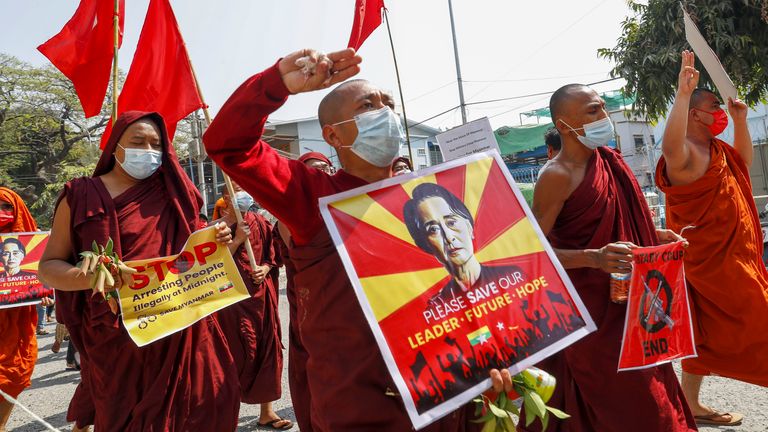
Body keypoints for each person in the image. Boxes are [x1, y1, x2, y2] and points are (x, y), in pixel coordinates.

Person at [204, 48, 479, 431]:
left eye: (388, 105)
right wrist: (276, 84)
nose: (386, 115)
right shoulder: (316, 196)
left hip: (448, 385)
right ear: (332, 134)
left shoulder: (429, 200)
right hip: (362, 402)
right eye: (369, 106)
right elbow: (227, 144)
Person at [38, 111, 240, 432]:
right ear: (115, 147)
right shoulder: (81, 195)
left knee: (199, 411)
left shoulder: (176, 196)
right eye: (137, 142)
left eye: (155, 144)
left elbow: (192, 257)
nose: (148, 150)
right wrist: (94, 275)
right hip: (117, 341)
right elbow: (49, 268)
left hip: (181, 329)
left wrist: (219, 241)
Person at [524, 83, 697, 431]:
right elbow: (531, 253)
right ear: (563, 125)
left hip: (636, 308)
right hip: (592, 317)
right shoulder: (557, 176)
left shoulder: (611, 161)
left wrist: (656, 236)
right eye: (593, 111)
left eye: (602, 108)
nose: (604, 117)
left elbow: (628, 224)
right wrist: (594, 258)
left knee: (657, 395)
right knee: (627, 404)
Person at [655, 50, 768, 426]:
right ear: (695, 115)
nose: (720, 110)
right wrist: (682, 94)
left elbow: (743, 162)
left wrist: (738, 120)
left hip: (735, 257)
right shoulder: (684, 151)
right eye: (715, 106)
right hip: (710, 265)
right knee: (760, 320)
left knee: (699, 336)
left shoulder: (717, 150)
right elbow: (669, 148)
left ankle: (691, 403)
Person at [214, 183, 291, 430]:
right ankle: (227, 415)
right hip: (232, 301)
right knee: (234, 354)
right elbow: (209, 265)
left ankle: (267, 412)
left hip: (261, 297)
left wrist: (265, 268)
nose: (243, 193)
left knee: (268, 350)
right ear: (226, 196)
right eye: (236, 189)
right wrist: (236, 241)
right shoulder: (216, 228)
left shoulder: (260, 221)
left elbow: (274, 254)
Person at [272, 151, 335, 432]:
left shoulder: (347, 202)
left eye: (324, 168)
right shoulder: (290, 214)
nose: (319, 174)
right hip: (310, 304)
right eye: (310, 171)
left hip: (348, 301)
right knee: (316, 370)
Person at [403, 182, 523, 307]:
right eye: (433, 229)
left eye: (451, 222)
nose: (449, 237)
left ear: (469, 227)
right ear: (426, 244)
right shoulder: (439, 306)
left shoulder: (512, 277)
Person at [0, 187, 45, 432]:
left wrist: (44, 294)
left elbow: (42, 277)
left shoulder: (31, 246)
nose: (2, 213)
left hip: (17, 323)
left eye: (7, 207)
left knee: (14, 374)